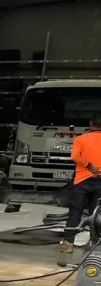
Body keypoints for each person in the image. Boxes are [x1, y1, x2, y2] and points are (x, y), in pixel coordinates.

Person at [58, 113, 101, 265]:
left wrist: (89, 166)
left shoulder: (80, 139)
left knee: (75, 212)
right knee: (97, 215)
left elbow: (75, 156)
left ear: (91, 123)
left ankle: (68, 244)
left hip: (82, 180)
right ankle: (95, 245)